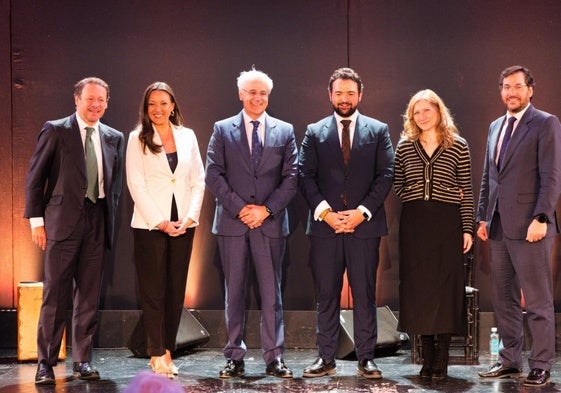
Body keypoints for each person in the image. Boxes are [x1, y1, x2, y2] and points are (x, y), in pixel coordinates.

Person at [24, 77, 124, 385]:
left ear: (107, 103)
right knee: (55, 294)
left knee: (89, 297)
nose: (96, 105)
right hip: (62, 222)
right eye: (90, 99)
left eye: (101, 100)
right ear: (76, 100)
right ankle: (46, 363)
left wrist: (109, 221)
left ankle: (82, 360)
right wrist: (37, 222)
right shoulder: (56, 130)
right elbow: (34, 178)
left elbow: (115, 184)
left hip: (97, 222)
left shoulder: (113, 136)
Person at [298, 67, 394, 379]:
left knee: (365, 293)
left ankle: (367, 357)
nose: (344, 98)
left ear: (360, 95)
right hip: (326, 229)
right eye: (339, 92)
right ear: (330, 94)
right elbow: (305, 175)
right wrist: (326, 213)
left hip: (364, 227)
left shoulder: (378, 130)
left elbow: (386, 176)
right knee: (326, 294)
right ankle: (325, 357)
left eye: (350, 93)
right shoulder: (314, 131)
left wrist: (361, 212)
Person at [205, 68, 298, 379]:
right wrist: (241, 208)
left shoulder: (285, 131)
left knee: (272, 294)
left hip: (270, 226)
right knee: (234, 293)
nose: (257, 98)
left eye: (263, 93)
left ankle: (275, 357)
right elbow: (213, 174)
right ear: (240, 94)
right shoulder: (222, 129)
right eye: (252, 92)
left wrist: (266, 210)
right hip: (233, 224)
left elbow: (291, 178)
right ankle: (234, 355)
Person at [476, 65, 561, 387]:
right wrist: (483, 216)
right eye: (505, 86)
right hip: (498, 227)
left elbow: (552, 176)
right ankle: (509, 360)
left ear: (530, 89)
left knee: (537, 301)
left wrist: (542, 217)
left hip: (531, 227)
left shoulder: (545, 123)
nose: (510, 92)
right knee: (504, 300)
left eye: (517, 86)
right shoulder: (495, 126)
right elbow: (489, 177)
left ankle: (541, 363)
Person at [394, 89, 474, 380]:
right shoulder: (404, 146)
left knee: (444, 289)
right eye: (417, 112)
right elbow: (399, 186)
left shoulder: (458, 146)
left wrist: (467, 227)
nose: (422, 116)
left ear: (439, 111)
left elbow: (466, 190)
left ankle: (441, 358)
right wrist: (431, 192)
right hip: (415, 223)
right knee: (419, 290)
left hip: (446, 223)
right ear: (411, 116)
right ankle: (426, 357)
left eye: (427, 110)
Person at [126, 82, 205, 377]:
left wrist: (189, 218)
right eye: (152, 105)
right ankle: (156, 352)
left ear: (173, 105)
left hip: (183, 222)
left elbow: (198, 180)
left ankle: (168, 348)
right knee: (153, 291)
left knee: (175, 290)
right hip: (150, 224)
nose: (158, 109)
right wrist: (159, 220)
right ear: (145, 109)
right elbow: (136, 183)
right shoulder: (138, 138)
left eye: (163, 103)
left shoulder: (188, 136)